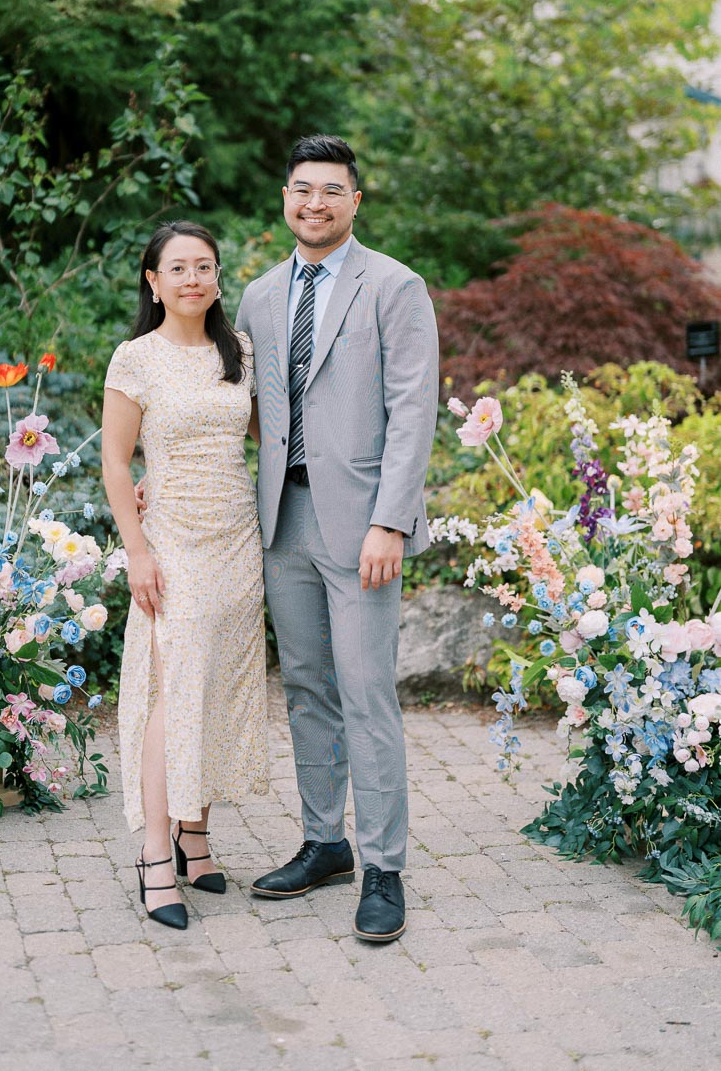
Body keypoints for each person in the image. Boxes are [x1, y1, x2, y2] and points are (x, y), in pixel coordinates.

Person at [235, 134, 438, 943]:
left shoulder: (395, 286)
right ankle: (326, 843)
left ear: (357, 200)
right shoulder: (255, 295)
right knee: (309, 687)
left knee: (365, 693)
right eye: (300, 189)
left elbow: (413, 409)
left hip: (362, 524)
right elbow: (243, 408)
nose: (312, 202)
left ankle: (384, 866)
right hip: (282, 519)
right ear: (285, 198)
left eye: (330, 190)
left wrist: (391, 518)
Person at [102, 221, 268, 930]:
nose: (194, 278)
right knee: (174, 689)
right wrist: (138, 550)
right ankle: (154, 856)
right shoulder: (135, 358)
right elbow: (116, 463)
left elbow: (267, 436)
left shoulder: (241, 352)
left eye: (205, 266)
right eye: (179, 268)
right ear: (153, 280)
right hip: (174, 542)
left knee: (218, 681)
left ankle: (196, 838)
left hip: (238, 537)